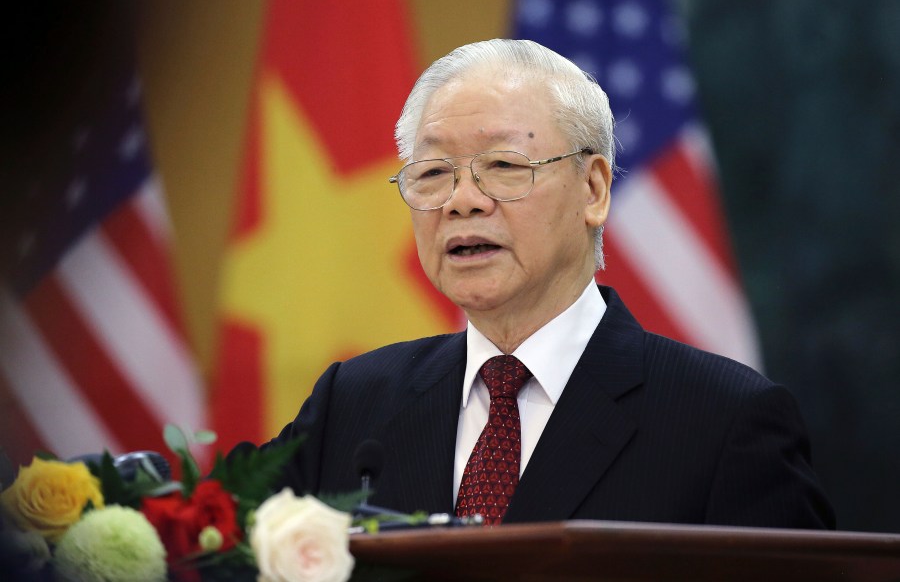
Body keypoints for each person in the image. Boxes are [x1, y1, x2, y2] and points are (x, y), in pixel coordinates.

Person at [260, 39, 835, 529]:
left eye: (504, 166)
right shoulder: (352, 404)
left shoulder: (724, 421)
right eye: (434, 174)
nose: (461, 201)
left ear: (593, 190)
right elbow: (211, 533)